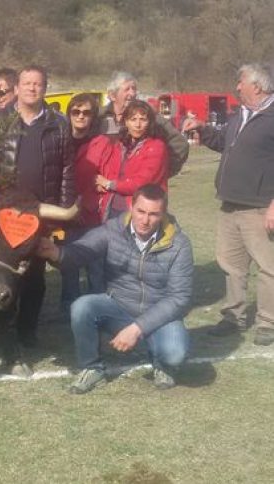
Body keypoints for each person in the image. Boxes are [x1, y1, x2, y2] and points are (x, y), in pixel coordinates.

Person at [38, 184, 193, 393]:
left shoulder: (179, 244)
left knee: (174, 354)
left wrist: (136, 329)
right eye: (140, 211)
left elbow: (179, 298)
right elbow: (83, 250)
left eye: (153, 214)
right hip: (119, 306)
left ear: (163, 214)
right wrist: (57, 253)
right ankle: (91, 367)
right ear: (131, 206)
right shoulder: (113, 229)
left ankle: (161, 363)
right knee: (82, 306)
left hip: (159, 314)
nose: (145, 220)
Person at [182, 63, 274, 346]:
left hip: (259, 207)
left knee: (268, 267)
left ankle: (268, 323)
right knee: (231, 266)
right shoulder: (240, 115)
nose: (236, 87)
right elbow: (225, 142)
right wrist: (203, 129)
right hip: (230, 205)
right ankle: (233, 317)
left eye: (241, 82)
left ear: (257, 86)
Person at [2, 65, 74, 349]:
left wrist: (63, 212)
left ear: (45, 88)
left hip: (41, 212)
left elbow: (67, 169)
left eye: (39, 84)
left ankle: (27, 330)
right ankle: (2, 332)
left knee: (34, 276)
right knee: (5, 273)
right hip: (5, 212)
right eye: (27, 83)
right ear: (16, 88)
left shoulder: (59, 124)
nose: (33, 88)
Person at [60, 93, 112, 310]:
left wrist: (92, 202)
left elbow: (107, 180)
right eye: (76, 111)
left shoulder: (103, 143)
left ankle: (97, 308)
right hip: (65, 214)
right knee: (68, 265)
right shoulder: (60, 140)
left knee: (95, 267)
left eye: (86, 112)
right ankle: (69, 309)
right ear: (69, 114)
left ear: (94, 117)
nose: (81, 116)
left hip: (93, 216)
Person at [99, 71, 188, 177]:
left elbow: (180, 143)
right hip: (105, 186)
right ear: (112, 95)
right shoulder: (98, 118)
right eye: (127, 89)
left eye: (134, 89)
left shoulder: (149, 116)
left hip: (139, 188)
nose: (132, 94)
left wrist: (162, 173)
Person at [96, 100, 169, 220]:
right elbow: (109, 172)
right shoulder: (121, 145)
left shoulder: (156, 147)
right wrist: (98, 183)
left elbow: (141, 183)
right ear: (126, 122)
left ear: (149, 122)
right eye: (133, 119)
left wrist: (109, 184)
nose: (138, 125)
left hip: (140, 212)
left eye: (143, 119)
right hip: (112, 208)